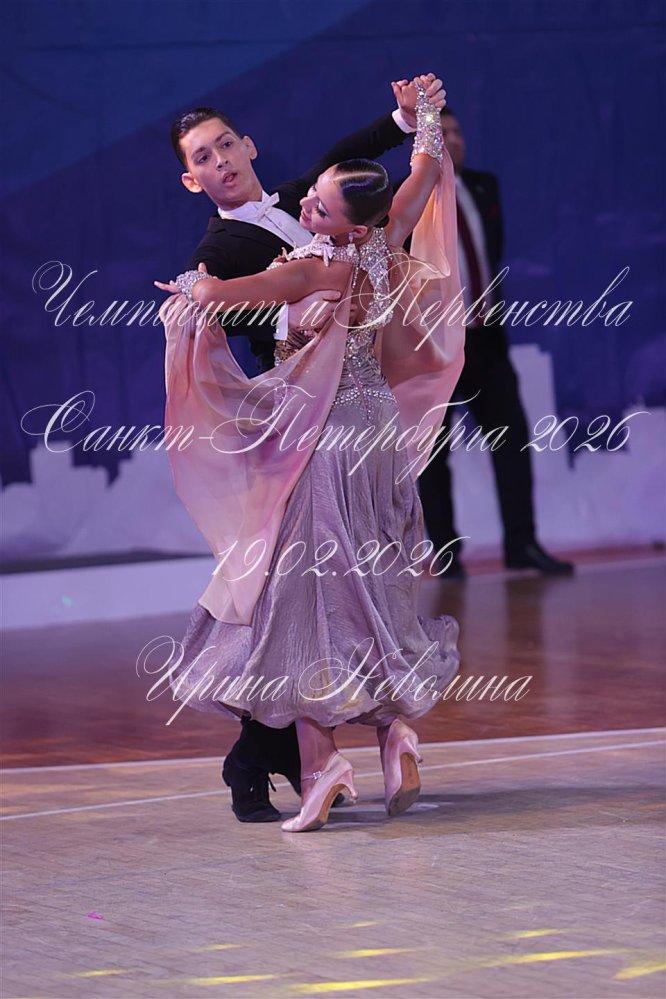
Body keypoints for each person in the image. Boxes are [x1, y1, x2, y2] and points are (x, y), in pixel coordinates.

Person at [156, 79, 465, 832]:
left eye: (226, 144)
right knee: (364, 581)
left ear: (248, 146)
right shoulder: (359, 236)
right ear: (192, 179)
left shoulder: (314, 250)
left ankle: (312, 762)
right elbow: (404, 172)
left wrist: (199, 294)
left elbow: (243, 289)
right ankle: (389, 733)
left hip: (318, 431)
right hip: (373, 428)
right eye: (204, 157)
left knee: (295, 591)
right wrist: (422, 122)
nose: (221, 160)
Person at [417, 108, 575, 578]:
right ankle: (446, 554)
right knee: (433, 455)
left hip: (485, 339)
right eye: (441, 133)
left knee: (512, 439)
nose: (453, 140)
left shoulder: (484, 187)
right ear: (421, 145)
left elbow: (488, 257)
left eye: (457, 131)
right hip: (433, 348)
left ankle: (522, 544)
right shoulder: (405, 200)